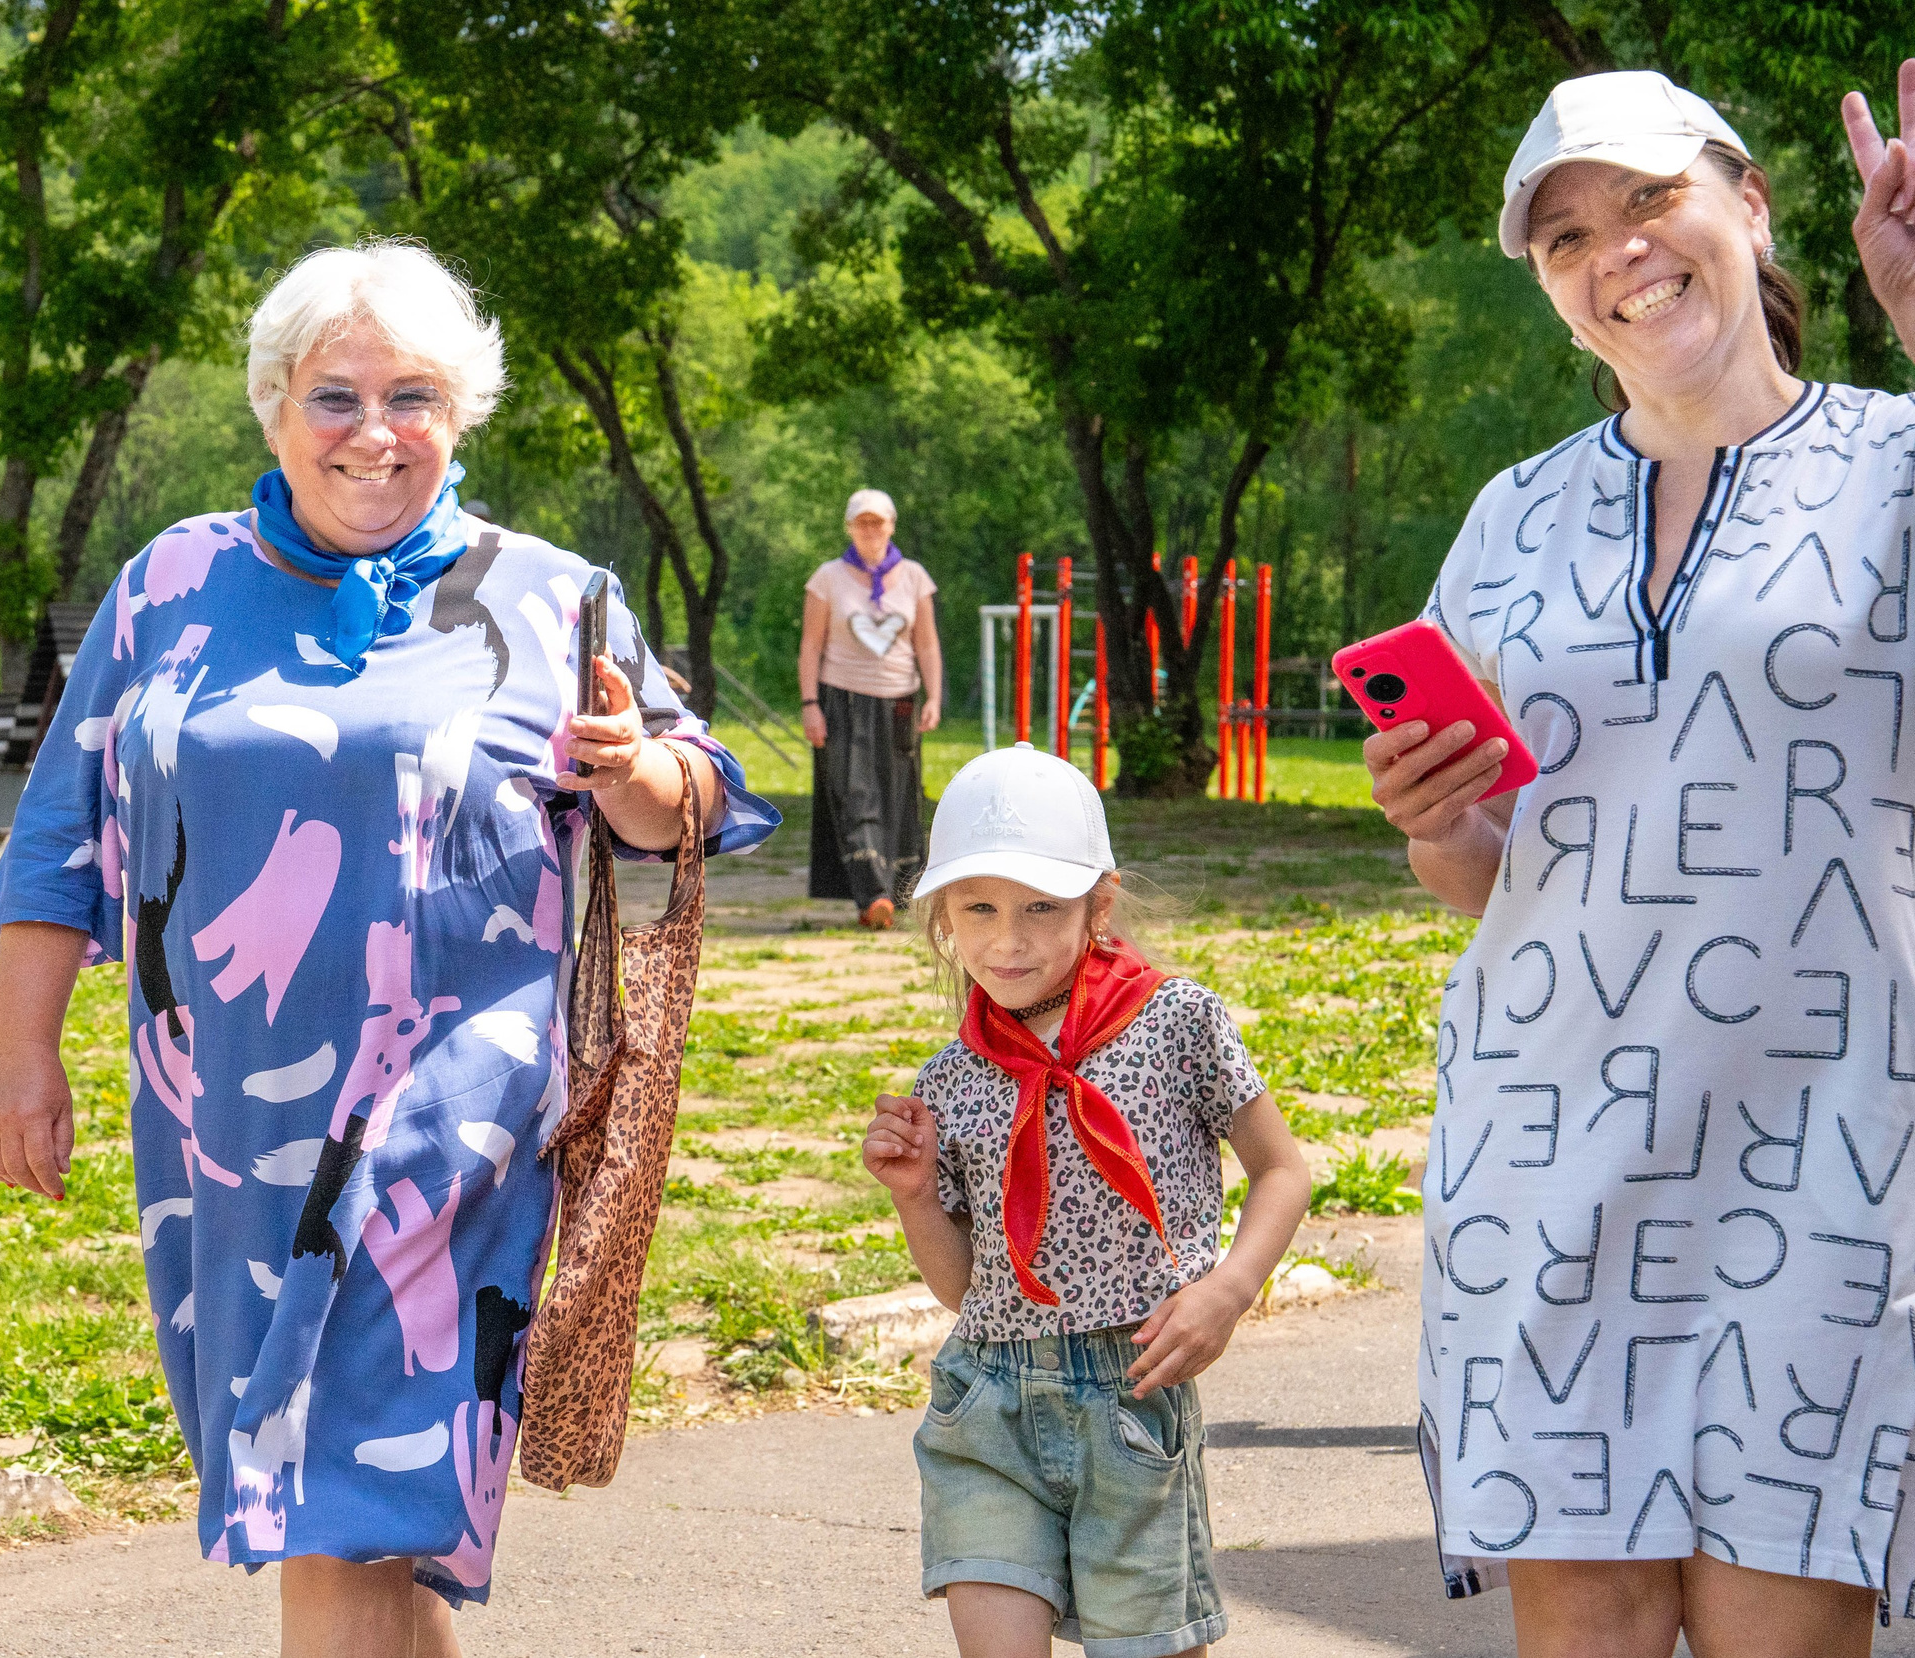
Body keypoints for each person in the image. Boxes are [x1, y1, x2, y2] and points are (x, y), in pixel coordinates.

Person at [0, 239, 777, 1658]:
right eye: (335, 397)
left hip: (451, 1127)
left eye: (412, 394)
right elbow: (60, 839)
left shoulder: (547, 594)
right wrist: (21, 1056)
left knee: (327, 1501)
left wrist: (633, 770)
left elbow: (699, 797)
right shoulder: (172, 585)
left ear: (460, 413)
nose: (374, 432)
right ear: (273, 407)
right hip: (222, 1140)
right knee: (377, 1528)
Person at [1361, 65, 1915, 1658]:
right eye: (1567, 237)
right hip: (1546, 1160)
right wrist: (1436, 822)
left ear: (1748, 203)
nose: (1619, 251)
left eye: (1651, 198)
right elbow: (1490, 876)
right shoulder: (1510, 519)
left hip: (1827, 1158)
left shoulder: (1894, 461)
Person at [863, 746, 1310, 1658]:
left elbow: (1283, 1170)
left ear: (1098, 907)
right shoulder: (950, 1078)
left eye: (1041, 908)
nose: (1008, 938)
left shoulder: (1177, 1021)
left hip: (1133, 1398)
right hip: (986, 1404)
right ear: (942, 917)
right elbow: (964, 1291)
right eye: (977, 908)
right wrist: (915, 1196)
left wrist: (1229, 1288)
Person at [802, 487, 943, 929]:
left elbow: (927, 643)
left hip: (900, 699)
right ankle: (873, 896)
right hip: (841, 698)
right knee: (854, 793)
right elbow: (810, 646)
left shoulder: (915, 577)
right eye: (862, 522)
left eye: (877, 521)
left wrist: (935, 696)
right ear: (849, 527)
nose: (870, 530)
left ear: (891, 526)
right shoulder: (827, 578)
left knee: (899, 796)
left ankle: (900, 892)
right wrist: (810, 704)